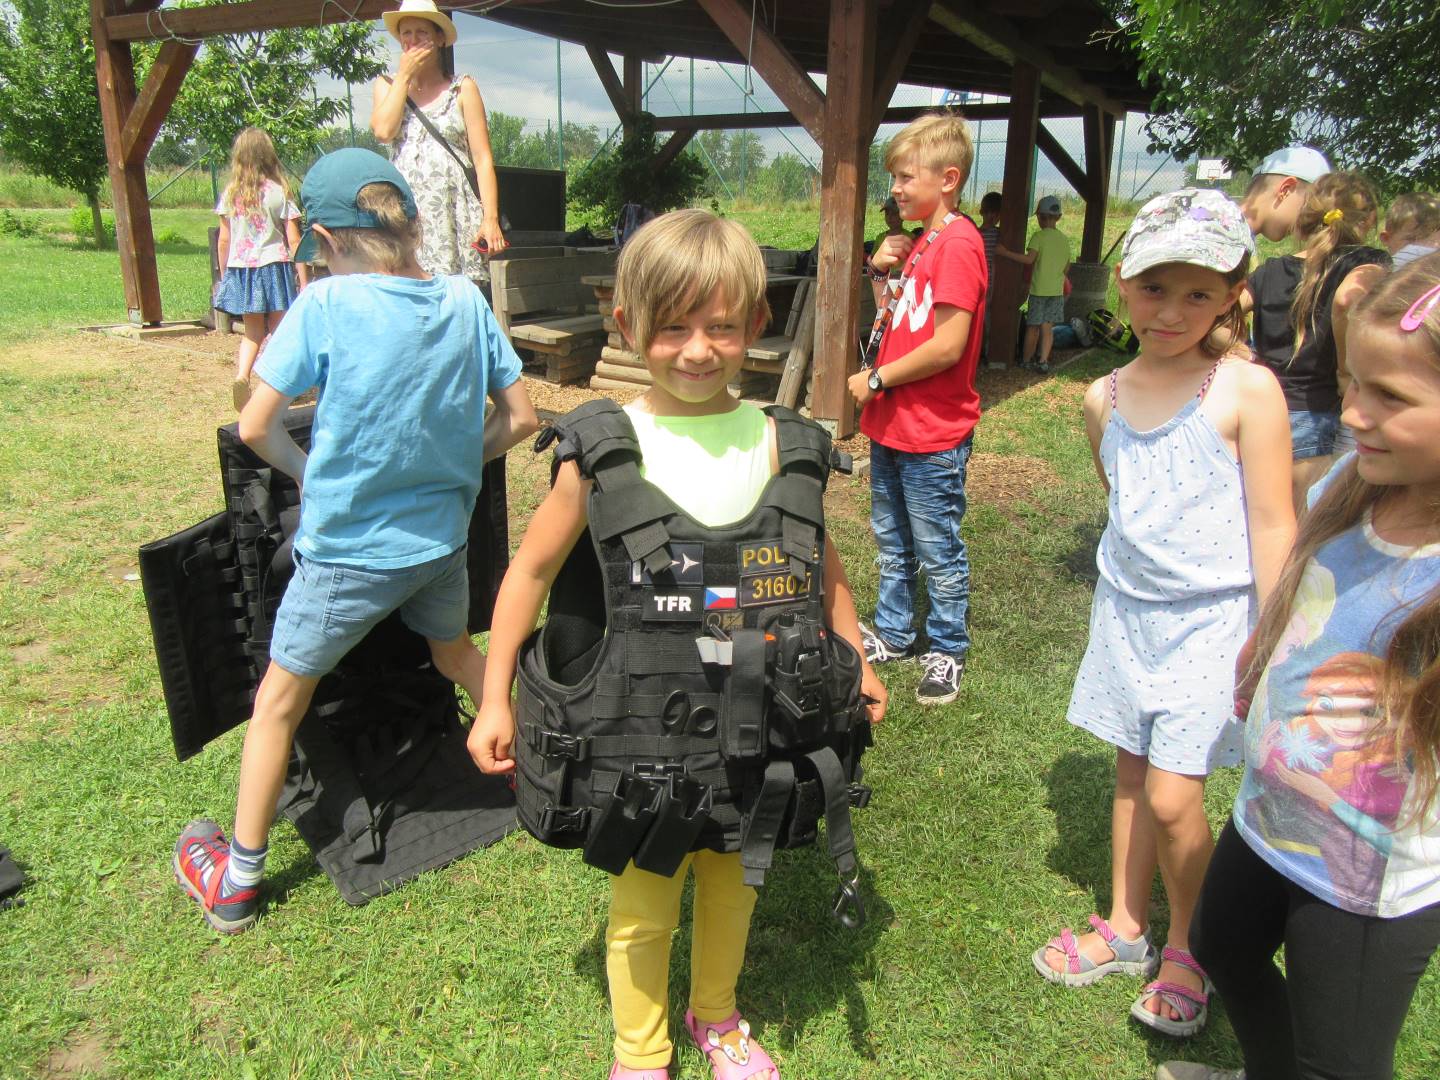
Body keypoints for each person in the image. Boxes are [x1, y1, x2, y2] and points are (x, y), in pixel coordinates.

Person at [467, 209, 887, 1080]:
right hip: (640, 748)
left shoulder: (786, 444)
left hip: (762, 737)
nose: (698, 350)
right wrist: (495, 695)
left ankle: (718, 1018)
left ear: (756, 323)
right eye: (673, 328)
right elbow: (529, 574)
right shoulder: (601, 451)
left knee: (738, 884)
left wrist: (857, 662)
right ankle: (639, 1053)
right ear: (628, 326)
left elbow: (823, 571)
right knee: (645, 908)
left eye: (721, 327)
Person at [172, 149, 538, 934]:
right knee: (455, 654)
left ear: (328, 240)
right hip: (440, 548)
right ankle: (534, 767)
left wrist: (311, 475)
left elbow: (255, 426)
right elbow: (522, 418)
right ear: (408, 225)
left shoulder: (324, 305)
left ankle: (235, 883)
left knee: (277, 702)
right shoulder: (465, 301)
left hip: (347, 559)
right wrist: (452, 463)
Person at [1162, 255, 1440, 1080]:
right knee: (1221, 947)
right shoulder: (1357, 483)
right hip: (1269, 816)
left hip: (1364, 872)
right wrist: (1269, 642)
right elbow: (1316, 588)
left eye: (1390, 396)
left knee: (1338, 1062)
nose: (1353, 412)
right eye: (1352, 382)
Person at [1032, 189, 1295, 1039]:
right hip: (1125, 618)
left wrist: (1275, 635)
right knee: (1132, 774)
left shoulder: (1248, 391)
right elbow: (1124, 504)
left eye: (1197, 292)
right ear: (1123, 284)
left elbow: (1273, 523)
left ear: (1231, 294)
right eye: (1153, 287)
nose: (1171, 311)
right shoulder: (1101, 397)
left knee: (1178, 801)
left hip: (1211, 627)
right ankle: (1125, 927)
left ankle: (1193, 945)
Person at [847, 111, 988, 705]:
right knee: (893, 538)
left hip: (932, 431)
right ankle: (895, 631)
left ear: (947, 178)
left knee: (936, 547)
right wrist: (878, 271)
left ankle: (947, 648)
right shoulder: (923, 241)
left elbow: (948, 346)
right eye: (895, 178)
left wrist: (877, 379)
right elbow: (896, 320)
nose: (896, 189)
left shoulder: (957, 244)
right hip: (894, 425)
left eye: (906, 177)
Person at [1247, 171, 1386, 507]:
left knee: (1258, 516)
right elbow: (1346, 300)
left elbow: (1223, 308)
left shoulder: (1270, 270)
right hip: (1315, 416)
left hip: (1261, 411)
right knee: (1303, 522)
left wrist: (1236, 351)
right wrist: (1345, 373)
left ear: (1303, 219)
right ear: (1367, 221)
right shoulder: (1367, 262)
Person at [370, 0, 506, 286]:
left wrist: (491, 219)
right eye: (406, 33)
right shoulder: (387, 85)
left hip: (454, 214)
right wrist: (404, 76)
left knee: (455, 295)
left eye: (422, 32)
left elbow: (482, 159)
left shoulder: (462, 88)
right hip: (406, 217)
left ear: (440, 39)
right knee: (407, 292)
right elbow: (383, 131)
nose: (413, 40)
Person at [212, 126, 308, 411]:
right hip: (274, 267)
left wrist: (225, 275)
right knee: (280, 330)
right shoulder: (279, 192)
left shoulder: (231, 194)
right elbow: (294, 239)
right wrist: (304, 279)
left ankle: (242, 376)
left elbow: (224, 240)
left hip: (243, 269)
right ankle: (279, 385)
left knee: (252, 332)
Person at [997, 194, 1071, 374]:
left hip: (1039, 291)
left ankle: (1026, 360)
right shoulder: (1064, 240)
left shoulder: (1038, 237)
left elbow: (1029, 259)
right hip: (1056, 291)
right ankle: (1043, 361)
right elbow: (1067, 267)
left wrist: (1005, 253)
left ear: (1040, 217)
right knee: (1048, 328)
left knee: (1033, 328)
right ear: (1058, 217)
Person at [1239, 145, 1331, 242]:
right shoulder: (1231, 239)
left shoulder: (1236, 237)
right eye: (1309, 208)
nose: (1307, 223)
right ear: (1285, 189)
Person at [977, 190, 1003, 369]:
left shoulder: (977, 233)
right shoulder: (996, 234)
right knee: (985, 319)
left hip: (982, 281)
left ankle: (981, 352)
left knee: (983, 319)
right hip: (987, 281)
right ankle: (984, 352)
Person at [1380, 191, 1440, 267]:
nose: (1425, 247)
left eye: (1433, 241)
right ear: (1386, 238)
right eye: (1412, 239)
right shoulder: (1381, 270)